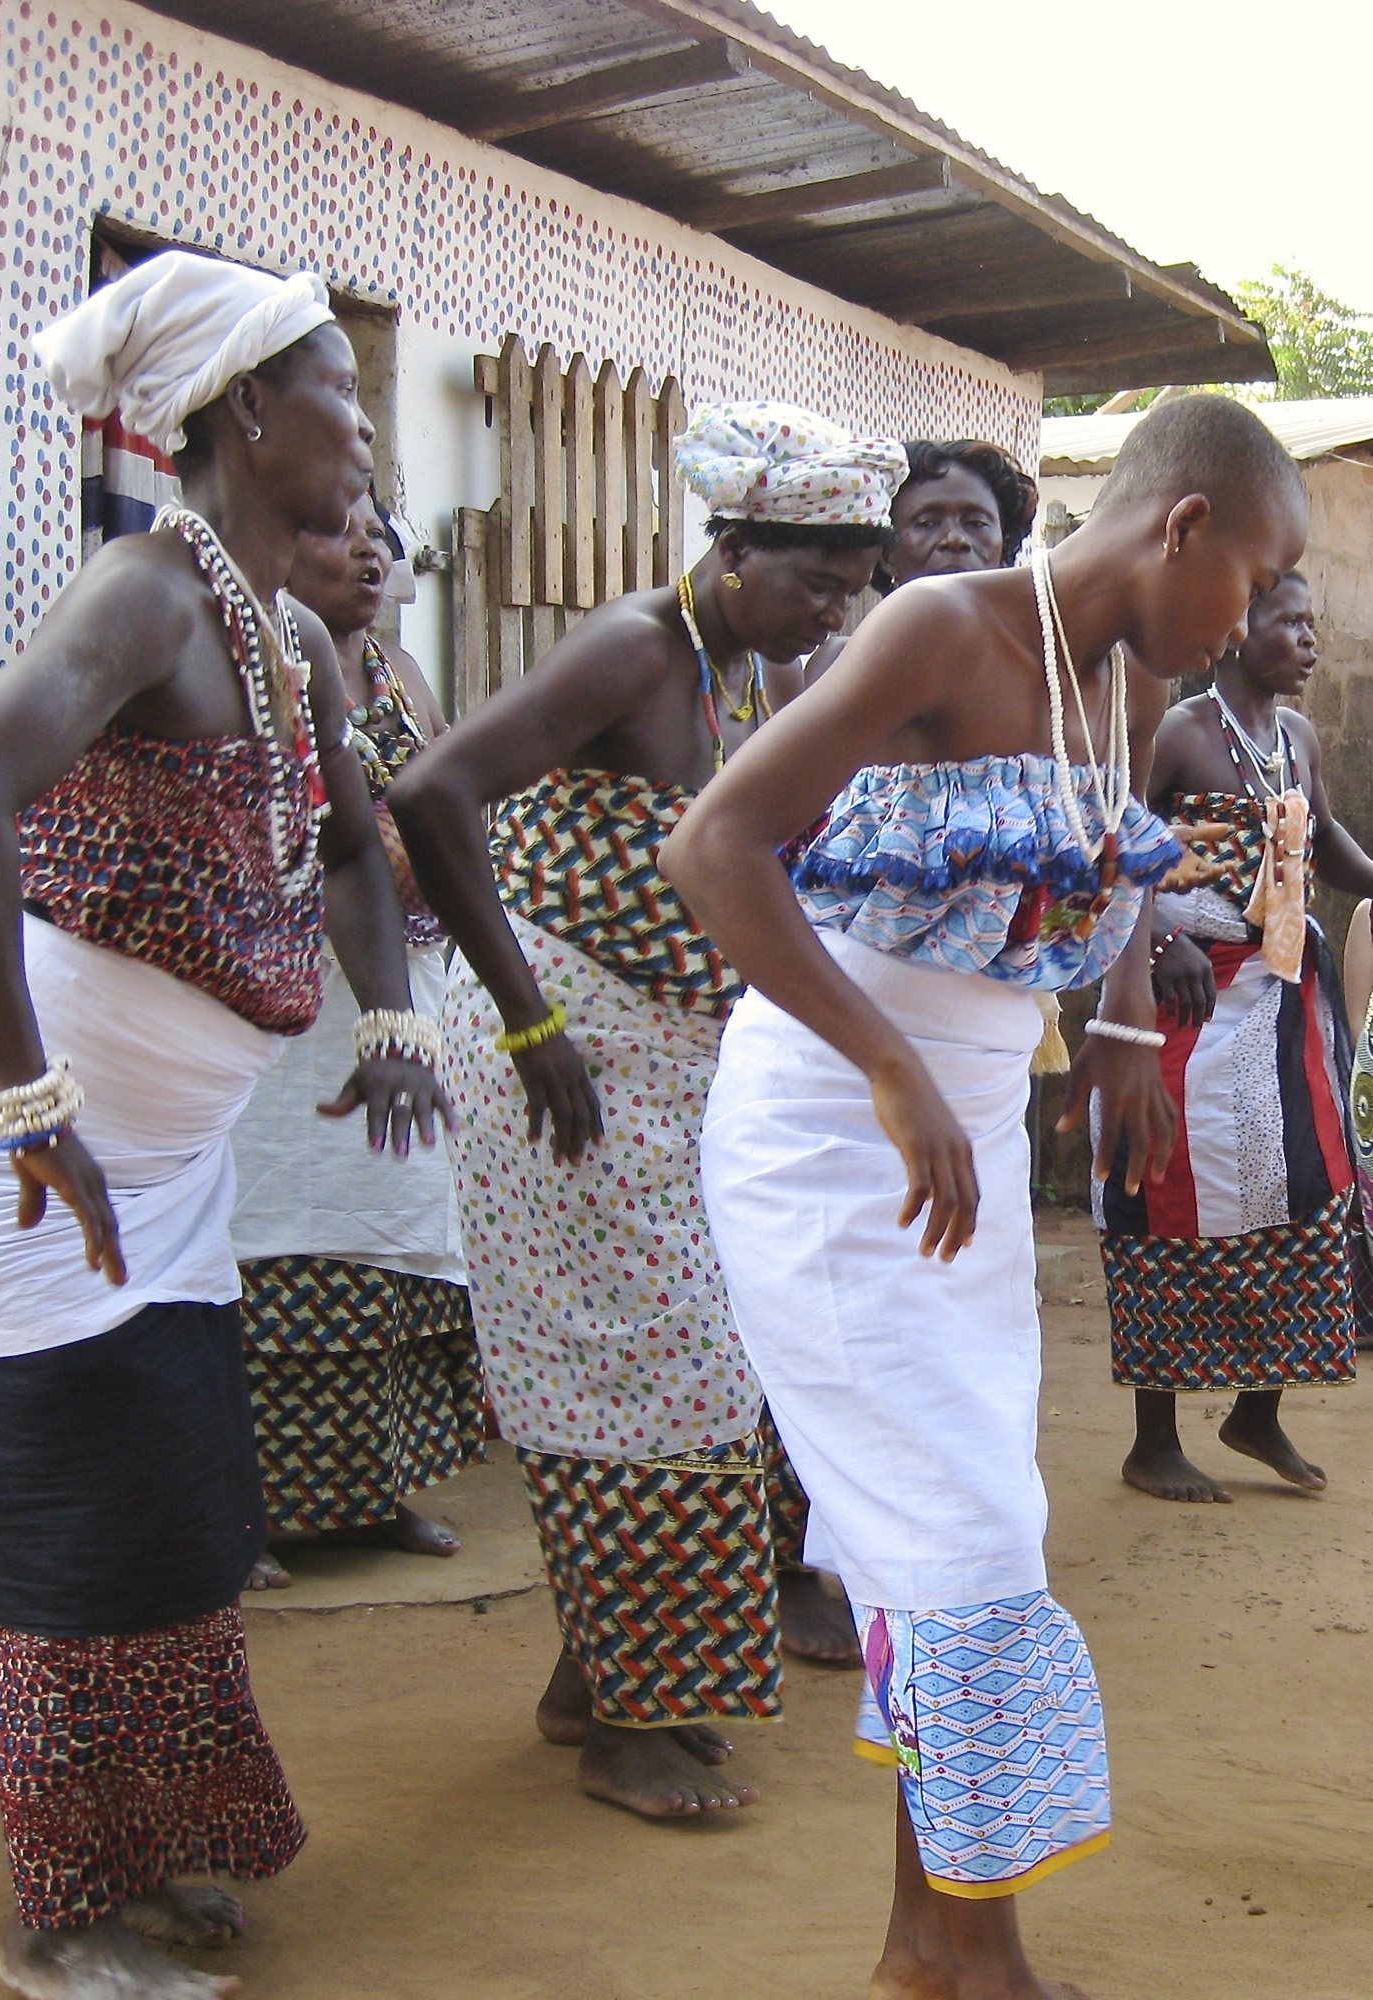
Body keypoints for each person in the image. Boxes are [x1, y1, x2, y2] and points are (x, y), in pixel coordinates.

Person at [663, 395, 1306, 1998]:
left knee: (930, 1543)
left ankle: (925, 1955)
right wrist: (884, 1060)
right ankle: (980, 1963)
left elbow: (1090, 899)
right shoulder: (936, 630)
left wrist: (1120, 1030)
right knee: (964, 1535)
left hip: (959, 1146)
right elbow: (714, 844)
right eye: (1259, 574)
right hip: (829, 1129)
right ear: (1183, 528)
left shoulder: (1122, 681)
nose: (1258, 616)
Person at [0, 251, 446, 2000]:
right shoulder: (142, 594)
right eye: (339, 385)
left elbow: (354, 849)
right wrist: (26, 1096)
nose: (364, 424)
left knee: (177, 1507)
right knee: (63, 1521)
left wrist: (395, 1017)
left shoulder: (286, 643)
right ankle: (60, 1921)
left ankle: (149, 1850)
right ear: (252, 411)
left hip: (164, 1174)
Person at [390, 403, 903, 1818]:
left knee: (688, 1368)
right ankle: (632, 1717)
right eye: (814, 577)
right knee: (646, 1373)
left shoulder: (743, 677)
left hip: (662, 1079)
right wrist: (530, 1017)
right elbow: (433, 796)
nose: (831, 608)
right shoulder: (634, 646)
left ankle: (601, 1679)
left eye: (855, 585)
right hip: (561, 1071)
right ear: (732, 548)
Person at [782, 438, 1042, 1666]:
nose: (950, 538)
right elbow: (753, 845)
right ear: (885, 545)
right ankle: (841, 1563)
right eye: (926, 518)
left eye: (973, 520)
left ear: (1010, 540)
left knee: (940, 1318)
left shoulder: (1039, 687)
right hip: (842, 1055)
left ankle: (894, 1569)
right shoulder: (841, 677)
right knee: (850, 1317)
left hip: (974, 1060)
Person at [232, 494, 484, 1584]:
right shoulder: (249, 653)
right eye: (338, 528)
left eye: (382, 530)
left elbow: (437, 809)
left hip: (397, 987)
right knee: (277, 1241)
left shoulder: (394, 671)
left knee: (392, 1231)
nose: (370, 548)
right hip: (291, 1006)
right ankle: (246, 1514)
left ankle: (366, 1493)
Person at [1099, 570, 1373, 1503]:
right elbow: (1115, 840)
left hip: (1285, 1007)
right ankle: (1154, 1439)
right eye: (1288, 621)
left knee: (1307, 1192)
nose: (1306, 637)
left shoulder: (1294, 741)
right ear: (1236, 626)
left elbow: (1325, 841)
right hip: (1189, 1009)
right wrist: (1166, 935)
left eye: (1311, 621)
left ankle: (1257, 1410)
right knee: (1162, 1197)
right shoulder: (1182, 732)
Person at [805, 436, 1039, 684]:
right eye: (927, 523)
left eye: (976, 523)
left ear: (1003, 547)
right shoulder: (841, 666)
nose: (954, 539)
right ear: (887, 556)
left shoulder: (1039, 676)